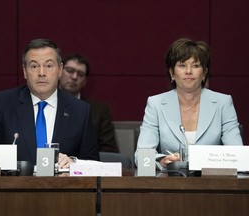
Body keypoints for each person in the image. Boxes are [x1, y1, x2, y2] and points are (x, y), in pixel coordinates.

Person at [0, 39, 100, 168]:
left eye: (49, 66)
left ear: (60, 70)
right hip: (15, 191)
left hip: (63, 191)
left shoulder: (80, 110)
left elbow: (92, 162)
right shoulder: (3, 103)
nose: (41, 73)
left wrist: (74, 163)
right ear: (25, 71)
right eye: (34, 66)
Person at [134, 38, 243, 169]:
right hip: (171, 182)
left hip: (212, 181)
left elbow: (237, 155)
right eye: (182, 65)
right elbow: (141, 156)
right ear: (172, 72)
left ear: (204, 73)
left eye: (196, 65)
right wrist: (162, 161)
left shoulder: (223, 103)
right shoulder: (156, 104)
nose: (188, 71)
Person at [59, 53, 119, 153]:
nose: (74, 77)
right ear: (59, 72)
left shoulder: (99, 110)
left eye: (80, 74)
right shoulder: (44, 103)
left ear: (85, 82)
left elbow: (109, 150)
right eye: (70, 71)